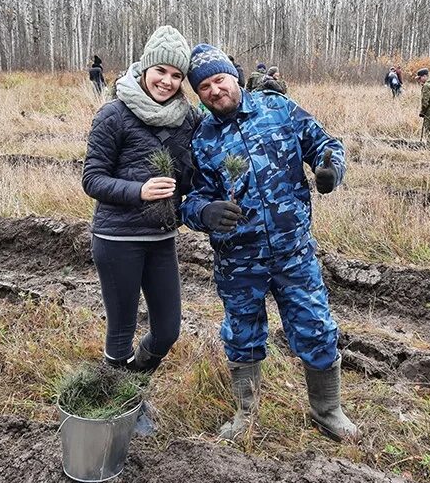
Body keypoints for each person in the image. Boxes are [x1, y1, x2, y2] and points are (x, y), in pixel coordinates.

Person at [180, 45, 357, 443]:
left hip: (294, 253)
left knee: (315, 328)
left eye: (219, 79)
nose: (214, 91)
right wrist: (204, 213)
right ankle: (245, 413)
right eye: (204, 86)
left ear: (234, 77)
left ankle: (327, 411)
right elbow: (188, 199)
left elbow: (326, 145)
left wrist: (330, 171)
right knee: (242, 334)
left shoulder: (278, 109)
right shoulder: (201, 139)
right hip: (238, 260)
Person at [82, 25, 199, 376]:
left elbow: (192, 175)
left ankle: (134, 383)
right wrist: (139, 191)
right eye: (161, 70)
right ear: (145, 67)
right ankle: (122, 402)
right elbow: (92, 178)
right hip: (117, 238)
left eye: (177, 75)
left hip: (162, 239)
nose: (167, 81)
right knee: (121, 331)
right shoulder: (113, 114)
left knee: (167, 330)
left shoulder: (188, 119)